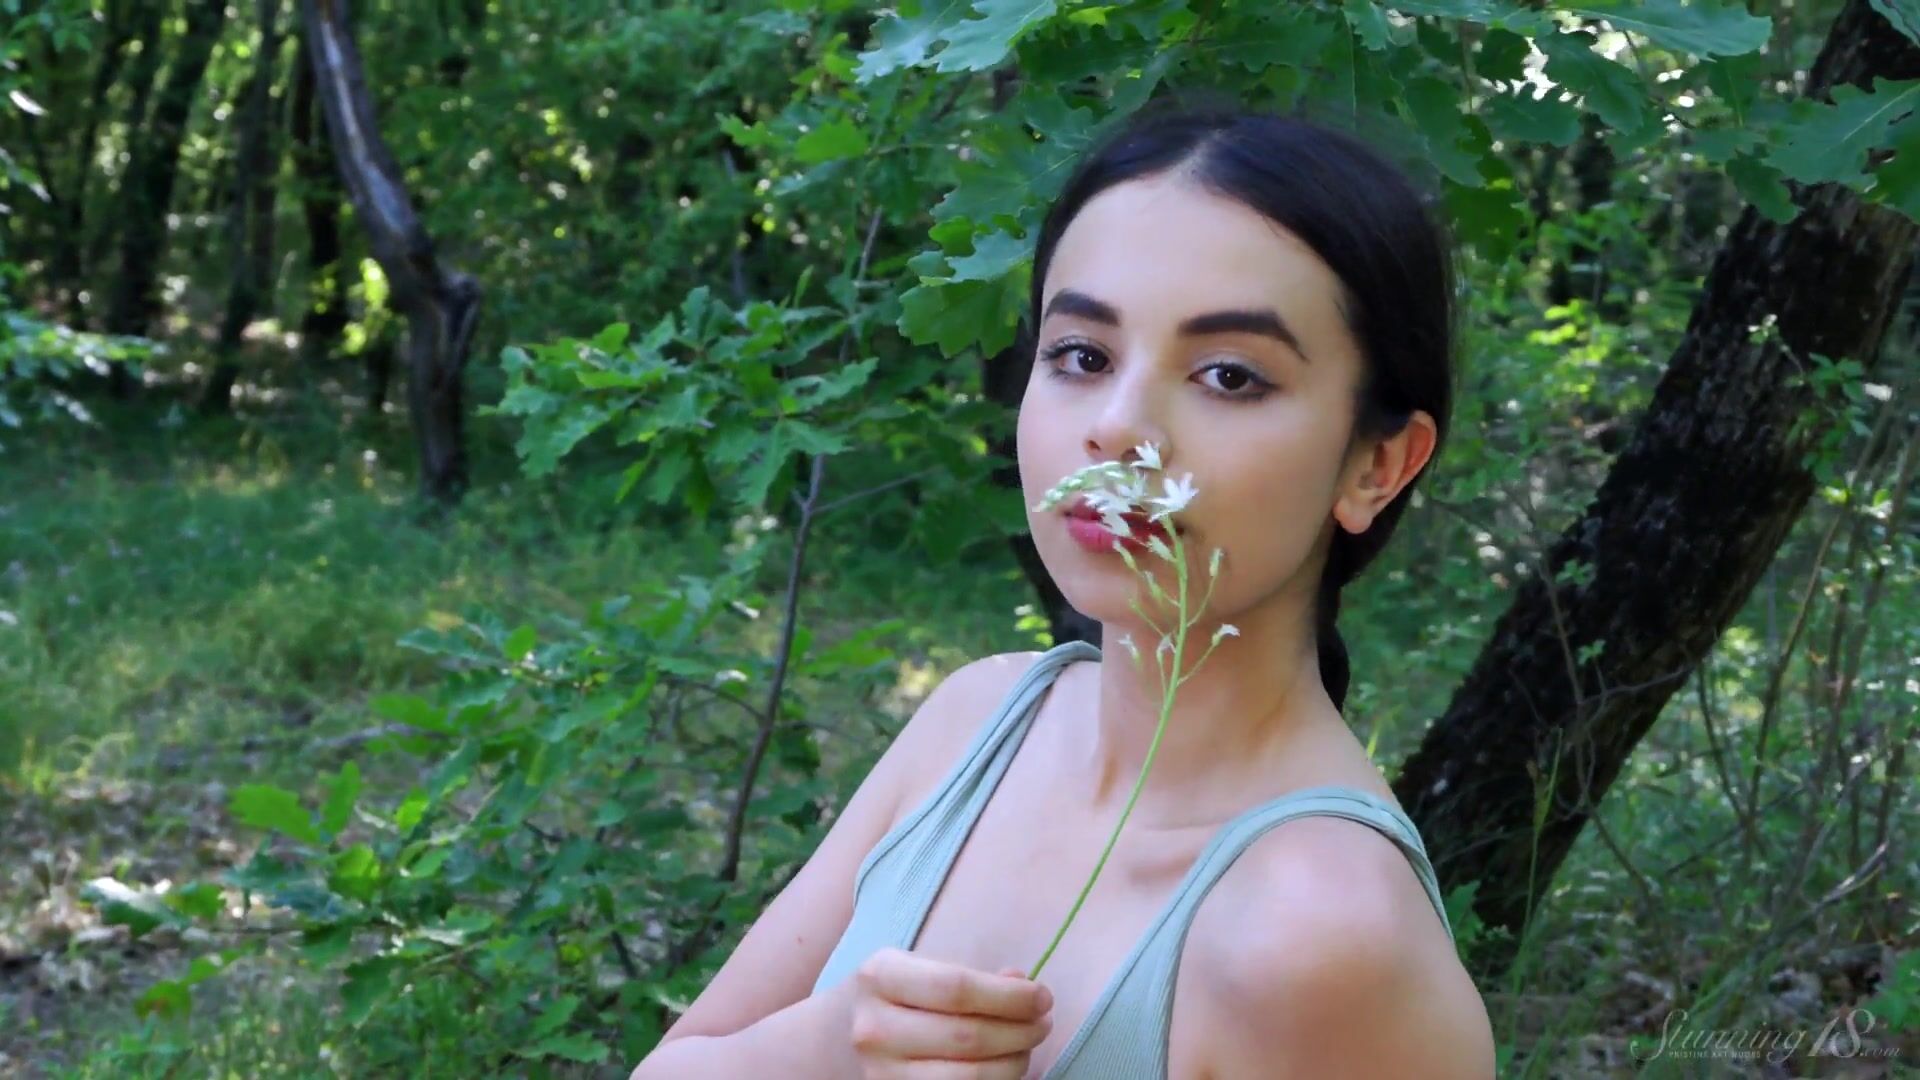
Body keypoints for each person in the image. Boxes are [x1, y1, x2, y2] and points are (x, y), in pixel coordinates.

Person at [631, 98, 1497, 1079]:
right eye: (1082, 356)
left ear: (1378, 465)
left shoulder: (1320, 936)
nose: (1119, 428)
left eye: (1228, 376)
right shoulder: (980, 721)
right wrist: (829, 1047)